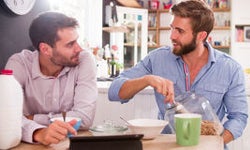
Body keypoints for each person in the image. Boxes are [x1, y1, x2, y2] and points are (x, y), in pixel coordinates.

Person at [108, 0, 248, 145]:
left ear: (201, 36)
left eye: (180, 31)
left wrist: (214, 144)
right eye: (172, 28)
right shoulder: (157, 58)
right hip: (167, 146)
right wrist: (147, 80)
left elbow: (238, 117)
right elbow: (114, 92)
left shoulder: (230, 68)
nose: (172, 36)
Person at [5, 11, 98, 145]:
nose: (79, 49)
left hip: (72, 143)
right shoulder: (20, 64)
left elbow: (85, 118)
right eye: (70, 44)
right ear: (45, 49)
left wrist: (32, 119)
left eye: (77, 41)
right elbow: (6, 117)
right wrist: (38, 132)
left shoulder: (84, 60)